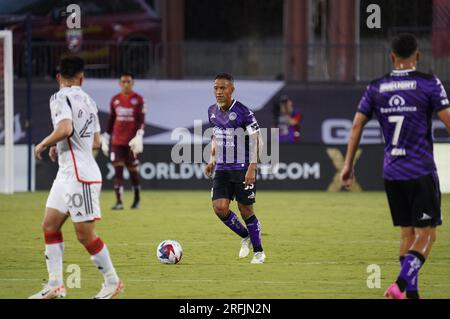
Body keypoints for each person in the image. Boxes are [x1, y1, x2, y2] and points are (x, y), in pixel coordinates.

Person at [340, 33, 450, 299]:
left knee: (407, 233)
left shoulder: (376, 87)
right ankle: (399, 286)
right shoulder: (428, 83)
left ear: (392, 57)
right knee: (427, 236)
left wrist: (348, 165)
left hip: (391, 172)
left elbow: (356, 125)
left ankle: (411, 296)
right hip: (420, 170)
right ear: (418, 56)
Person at [30, 56, 124, 299]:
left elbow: (65, 129)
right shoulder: (89, 100)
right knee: (49, 224)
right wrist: (61, 145)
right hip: (69, 173)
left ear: (58, 77)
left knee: (84, 234)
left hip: (79, 177)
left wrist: (43, 143)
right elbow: (94, 141)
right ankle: (55, 285)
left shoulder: (59, 97)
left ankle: (112, 282)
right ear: (82, 77)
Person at [204, 73, 266, 264]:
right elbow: (216, 136)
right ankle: (245, 235)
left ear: (232, 90)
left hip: (242, 167)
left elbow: (259, 140)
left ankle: (259, 252)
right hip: (222, 168)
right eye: (216, 88)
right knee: (219, 208)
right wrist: (212, 159)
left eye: (223, 88)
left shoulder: (243, 112)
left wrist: (252, 168)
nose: (219, 92)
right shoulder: (212, 111)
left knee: (245, 209)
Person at [101, 73, 145, 210]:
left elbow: (141, 120)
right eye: (123, 81)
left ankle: (136, 198)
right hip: (117, 142)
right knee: (118, 171)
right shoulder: (115, 100)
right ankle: (119, 202)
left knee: (133, 172)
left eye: (128, 81)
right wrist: (106, 136)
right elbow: (111, 119)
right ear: (119, 83)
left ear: (133, 83)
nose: (126, 84)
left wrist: (139, 134)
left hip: (131, 143)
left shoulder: (138, 99)